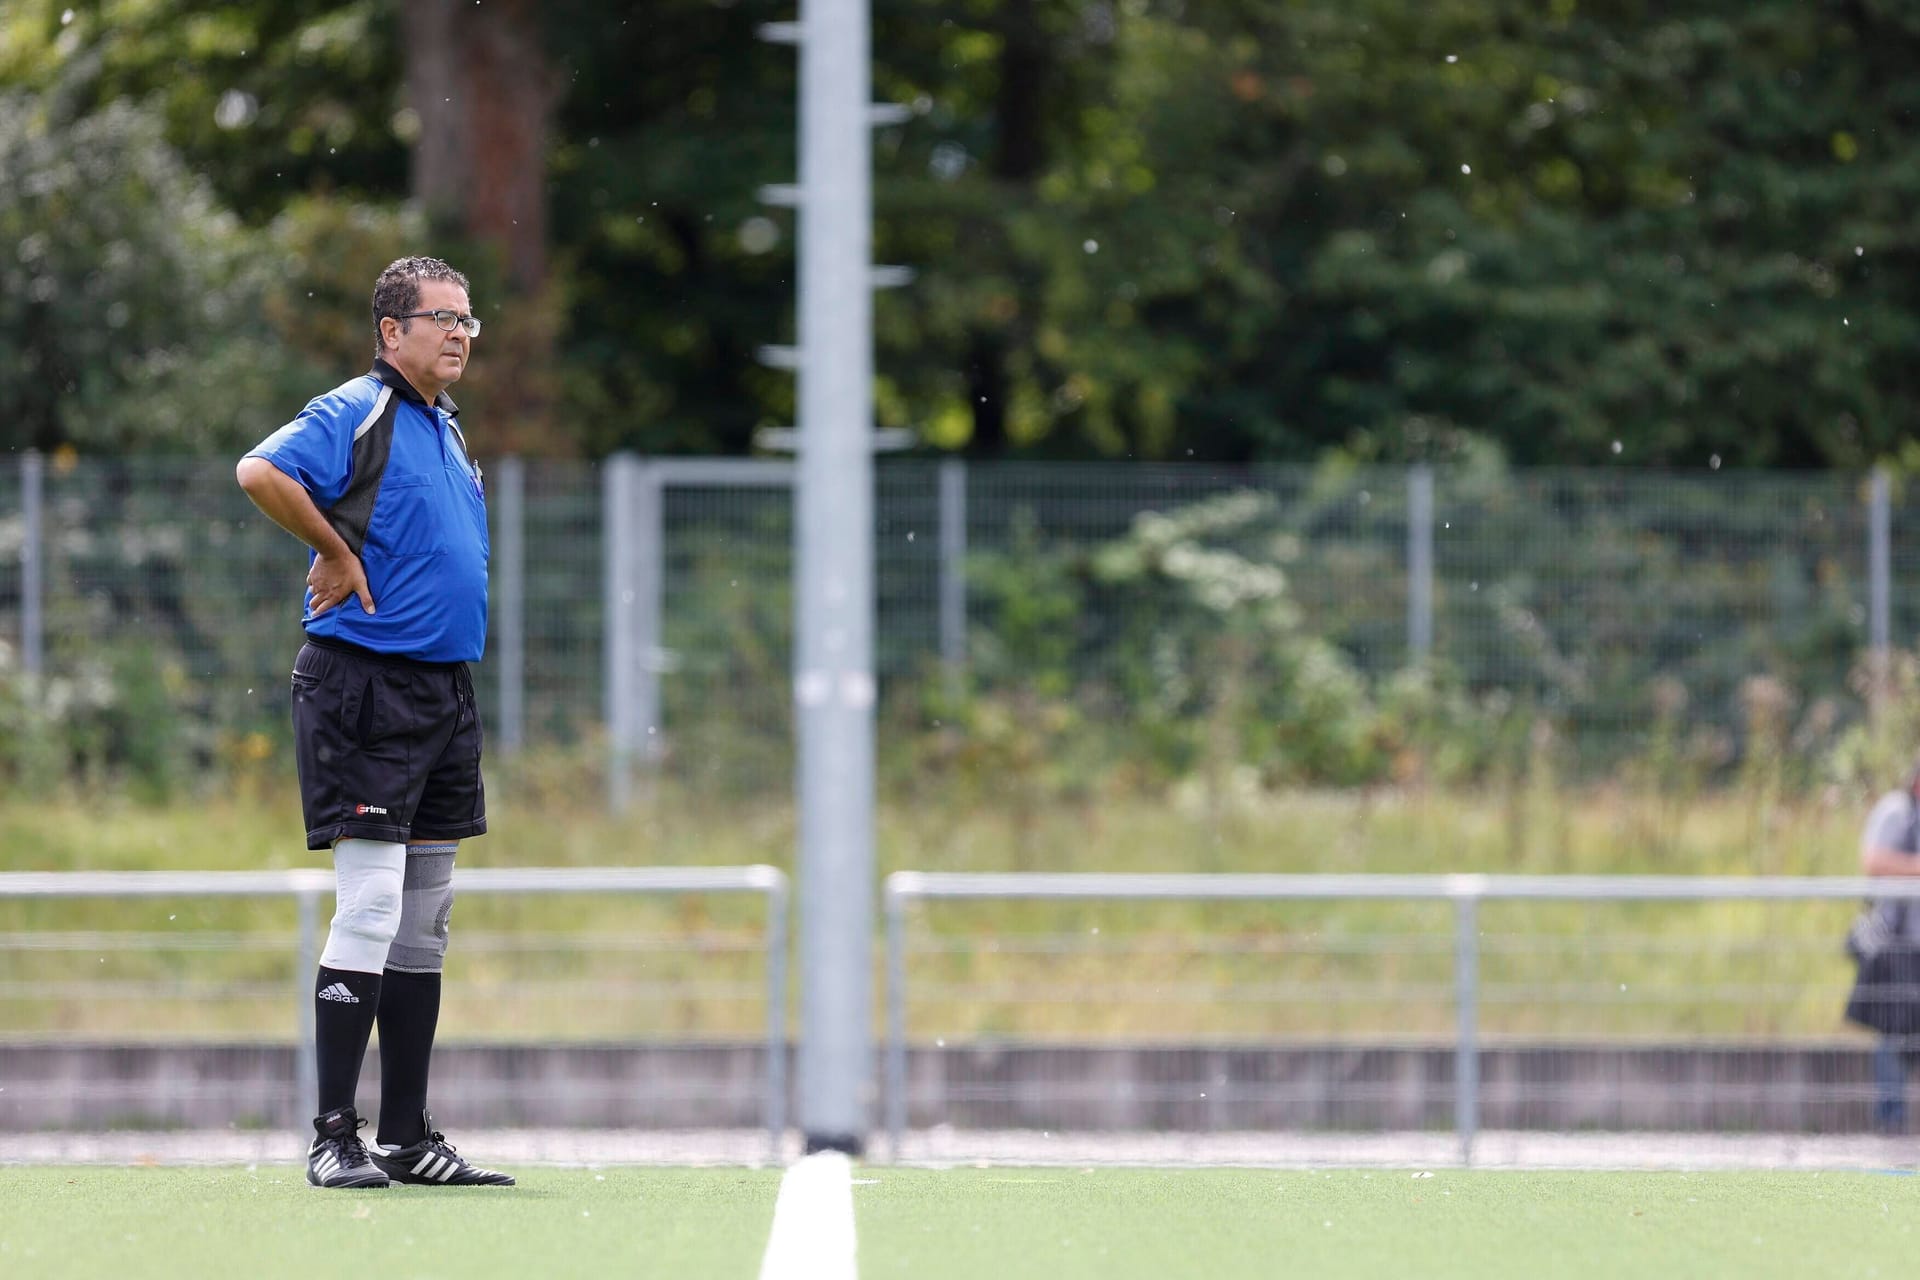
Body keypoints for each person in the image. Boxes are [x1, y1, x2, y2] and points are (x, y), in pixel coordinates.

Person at [236, 256, 512, 1188]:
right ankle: (330, 1136)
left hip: (443, 696)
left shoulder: (447, 427)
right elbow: (260, 470)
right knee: (373, 907)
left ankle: (405, 1136)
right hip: (365, 690)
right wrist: (331, 548)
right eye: (442, 318)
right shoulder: (361, 407)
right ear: (391, 332)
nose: (460, 334)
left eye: (469, 320)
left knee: (425, 923)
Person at [1847, 765, 1920, 1135]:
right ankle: (1890, 1123)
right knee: (1894, 1032)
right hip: (1897, 947)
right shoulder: (1897, 810)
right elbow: (1874, 861)